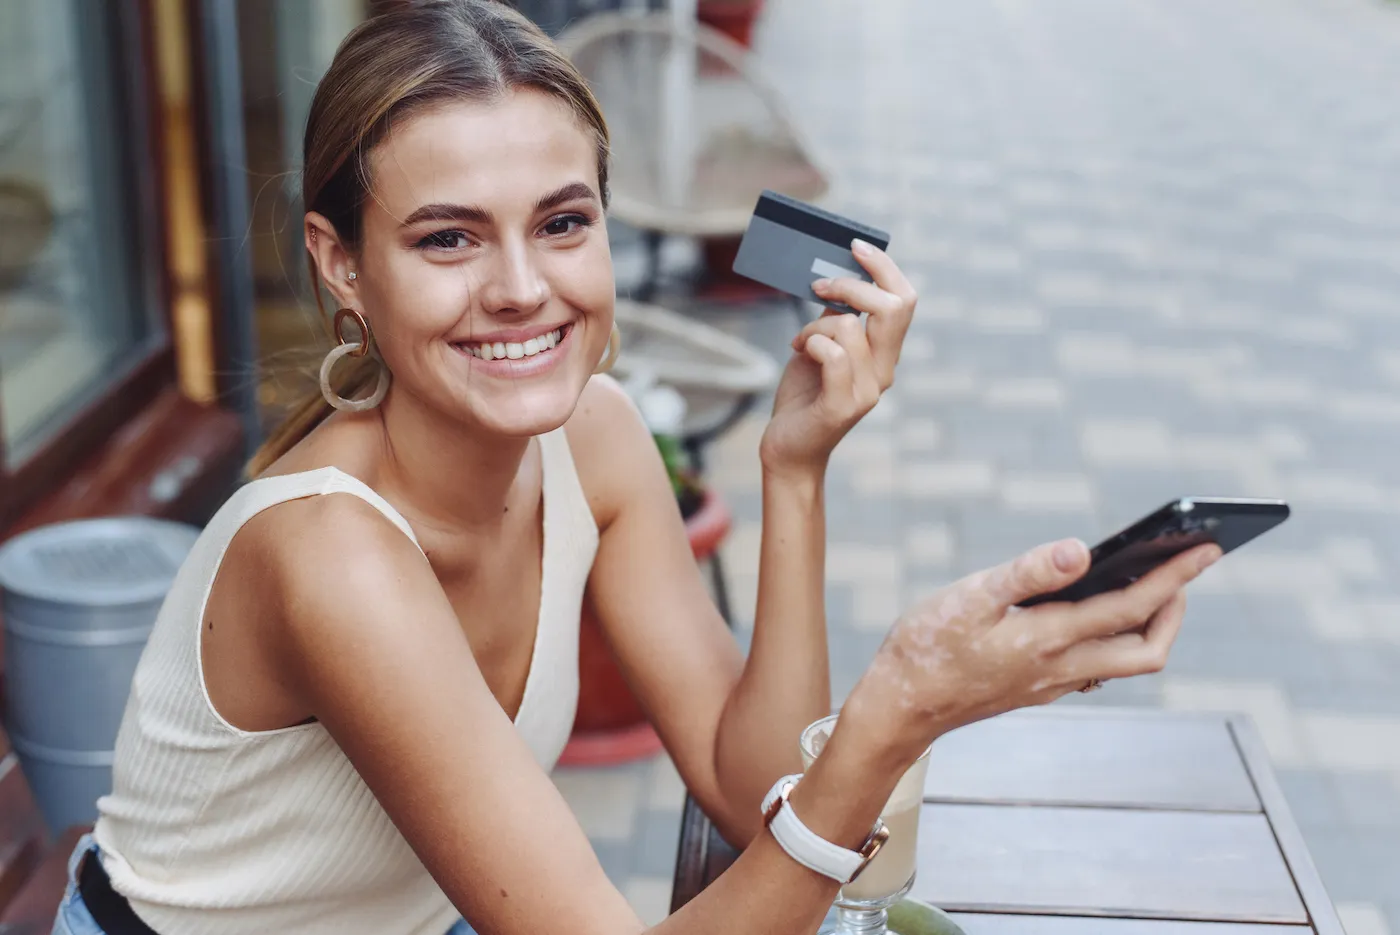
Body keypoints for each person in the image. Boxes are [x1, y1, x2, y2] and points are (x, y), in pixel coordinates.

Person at [50, 2, 1220, 934]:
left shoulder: (595, 436)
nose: (521, 286)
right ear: (340, 264)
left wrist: (792, 469)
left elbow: (745, 777)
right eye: (447, 237)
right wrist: (896, 709)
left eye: (562, 222)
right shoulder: (328, 553)